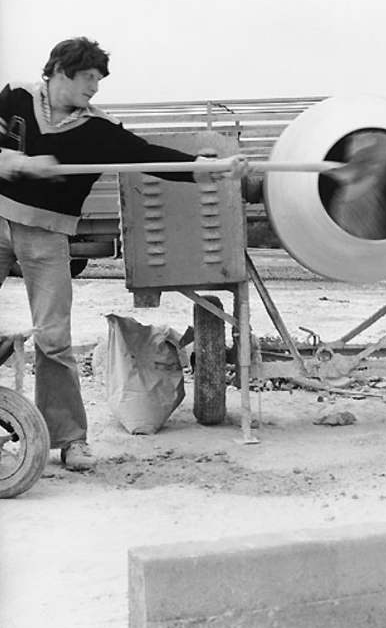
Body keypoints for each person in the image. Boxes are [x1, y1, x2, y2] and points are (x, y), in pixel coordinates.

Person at [0, 37, 247, 472]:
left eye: (99, 79)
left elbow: (147, 156)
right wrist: (16, 163)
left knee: (54, 340)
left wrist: (207, 168)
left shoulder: (98, 130)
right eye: (88, 77)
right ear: (59, 71)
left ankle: (69, 440)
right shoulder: (15, 96)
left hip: (47, 237)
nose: (95, 88)